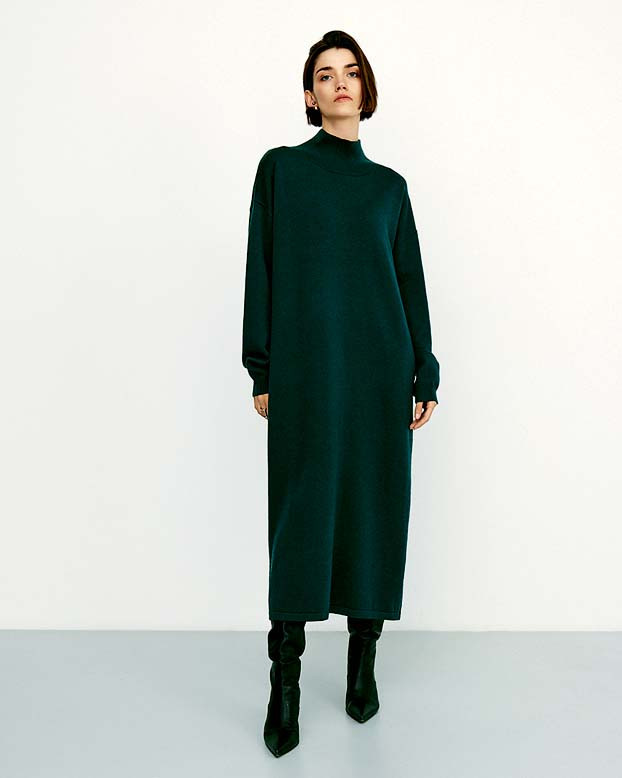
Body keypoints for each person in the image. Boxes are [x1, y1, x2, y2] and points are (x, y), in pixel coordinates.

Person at [242, 30, 440, 757]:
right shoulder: (282, 171)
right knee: (299, 517)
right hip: (307, 372)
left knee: (372, 510)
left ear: (366, 87)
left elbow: (410, 283)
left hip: (379, 374)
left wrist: (424, 369)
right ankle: (285, 684)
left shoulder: (390, 189)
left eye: (351, 72)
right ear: (309, 94)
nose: (340, 83)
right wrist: (263, 367)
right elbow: (261, 267)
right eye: (325, 75)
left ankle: (363, 663)